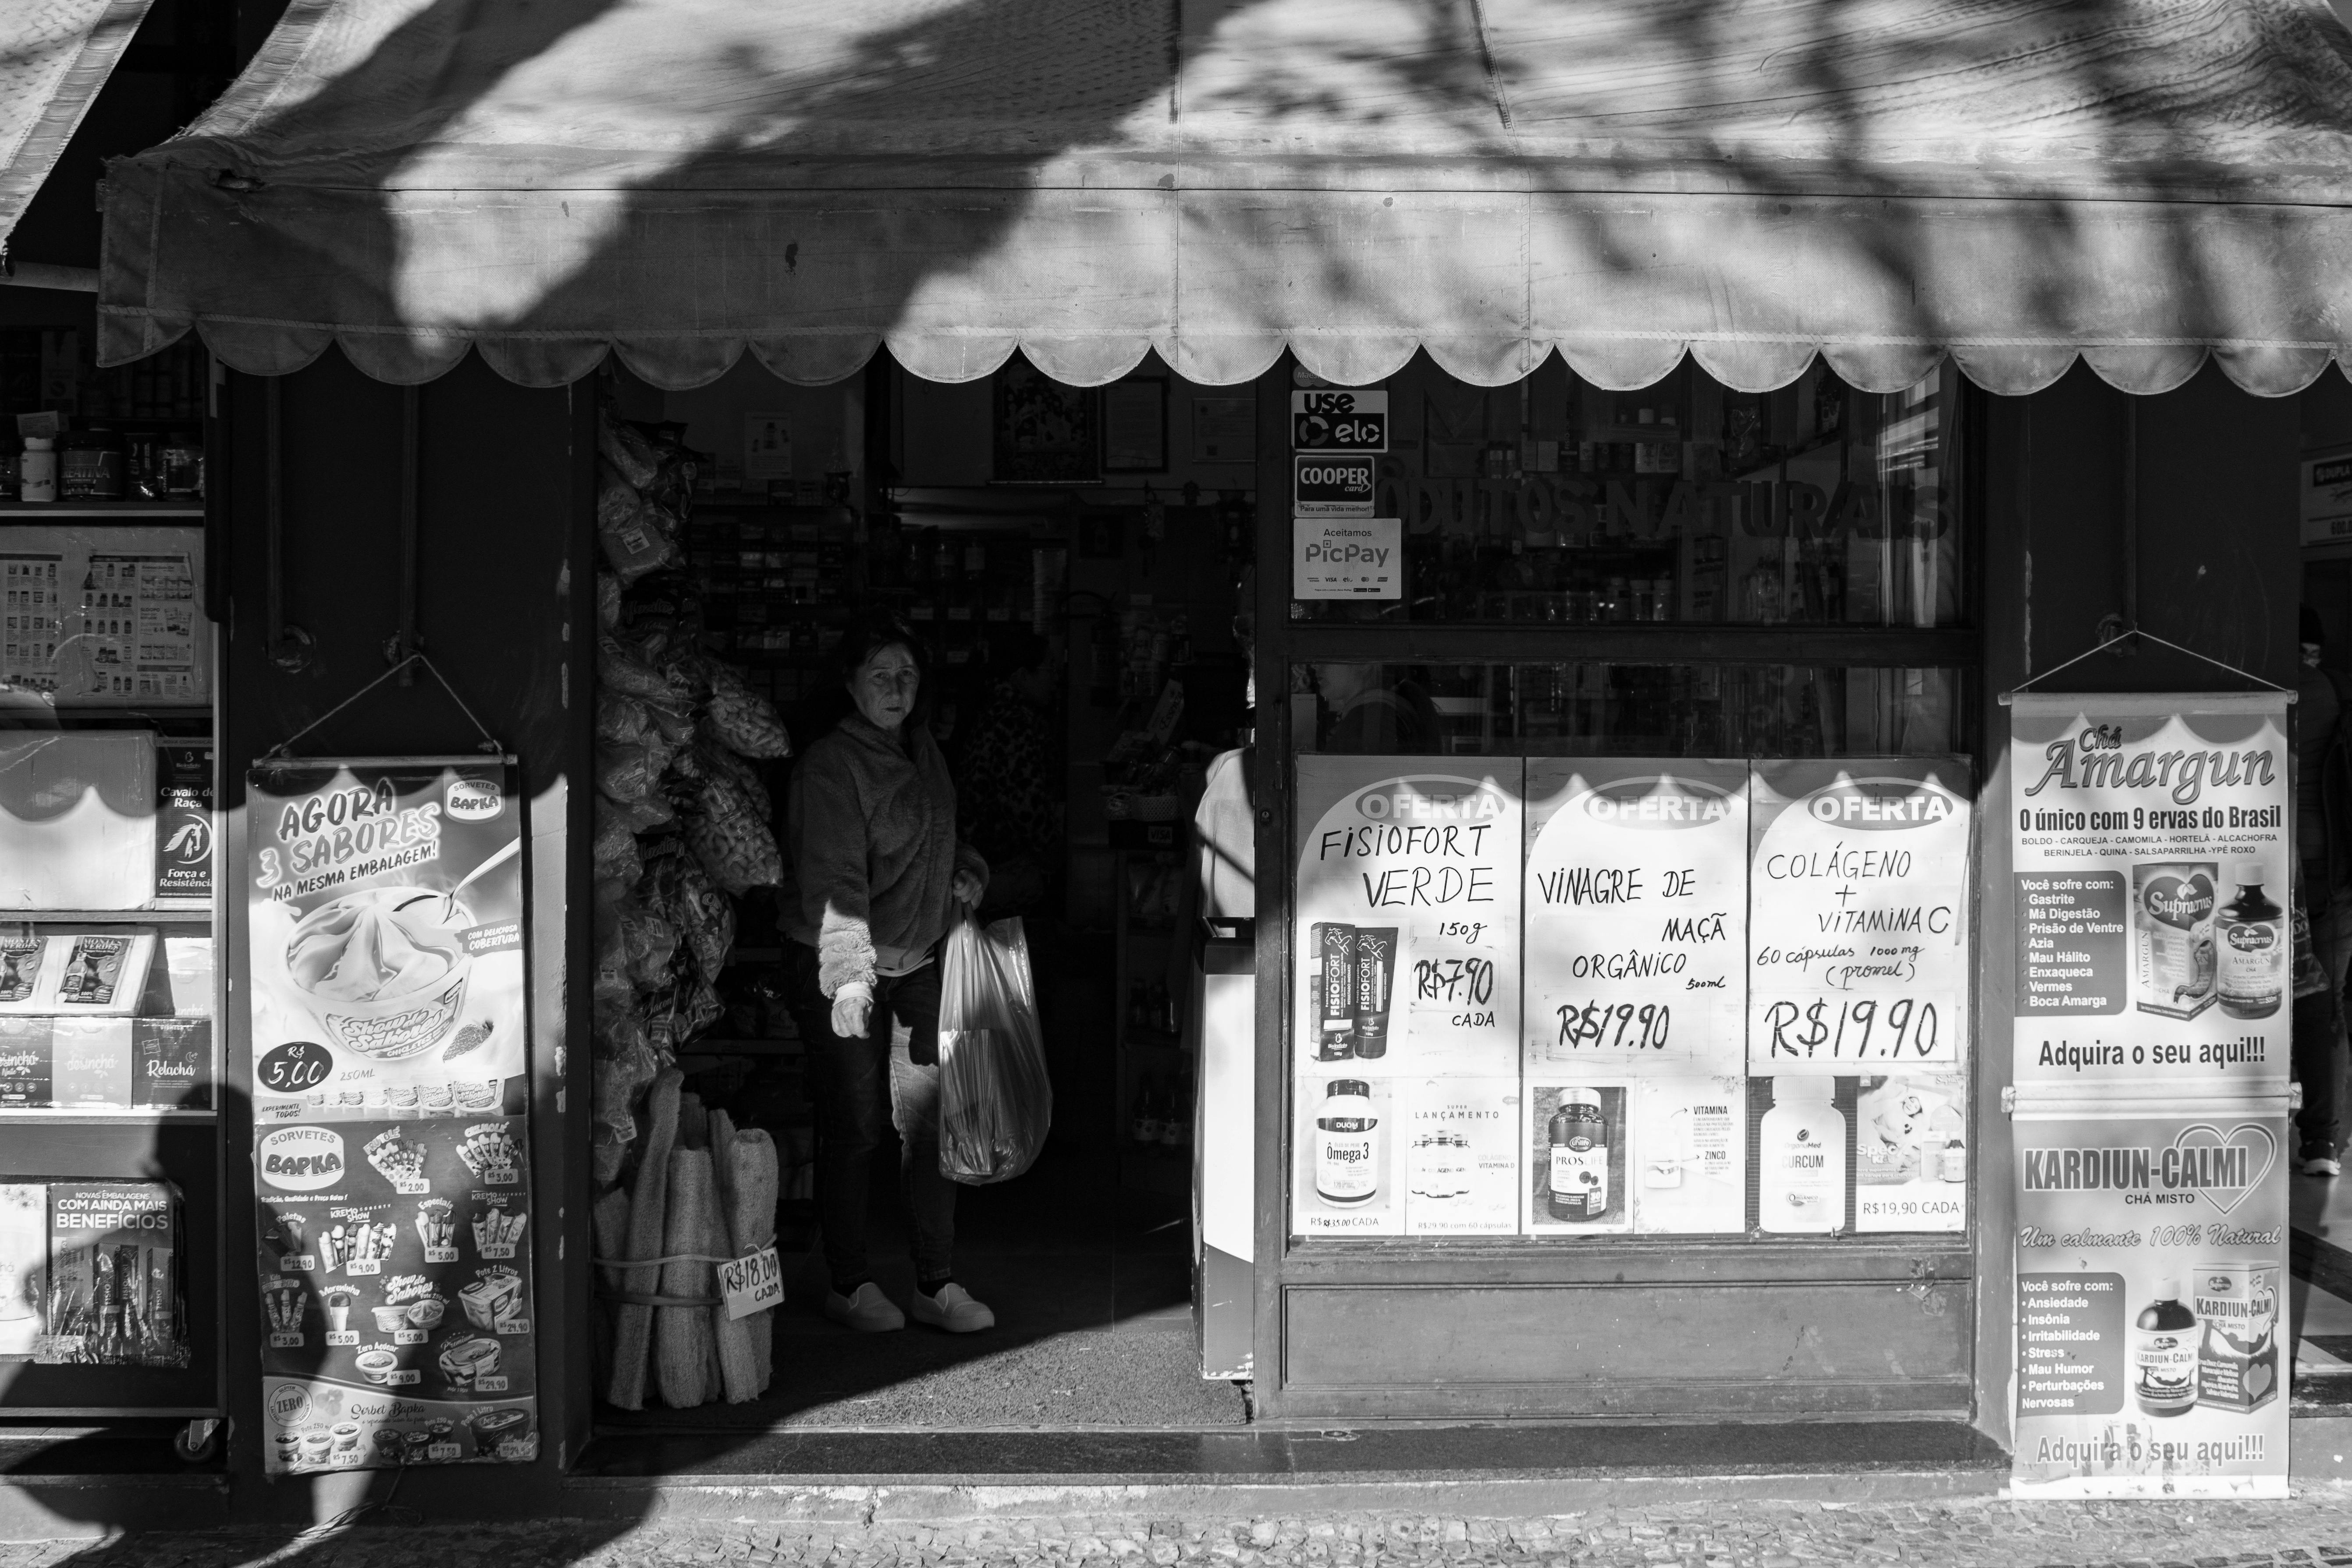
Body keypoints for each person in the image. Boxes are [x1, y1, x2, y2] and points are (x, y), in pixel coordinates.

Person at [776, 612, 993, 1331]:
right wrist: (849, 976)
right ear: (849, 684)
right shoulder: (831, 767)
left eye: (907, 673)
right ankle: (849, 1282)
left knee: (930, 1126)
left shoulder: (922, 747)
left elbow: (940, 838)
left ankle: (936, 1282)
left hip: (920, 961)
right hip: (847, 966)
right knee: (857, 1127)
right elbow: (834, 879)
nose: (896, 687)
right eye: (880, 674)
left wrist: (963, 873)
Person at [954, 631, 1062, 918]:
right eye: (1049, 668)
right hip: (996, 867)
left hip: (979, 863)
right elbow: (1027, 808)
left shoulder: (993, 709)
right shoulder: (1013, 723)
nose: (1055, 678)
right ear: (1022, 675)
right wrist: (1054, 858)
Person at [2296, 604, 2349, 1176]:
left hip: (2267, 867)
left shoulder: (2263, 692)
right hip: (2334, 871)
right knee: (2326, 1002)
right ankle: (2324, 1141)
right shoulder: (2336, 690)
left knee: (2256, 999)